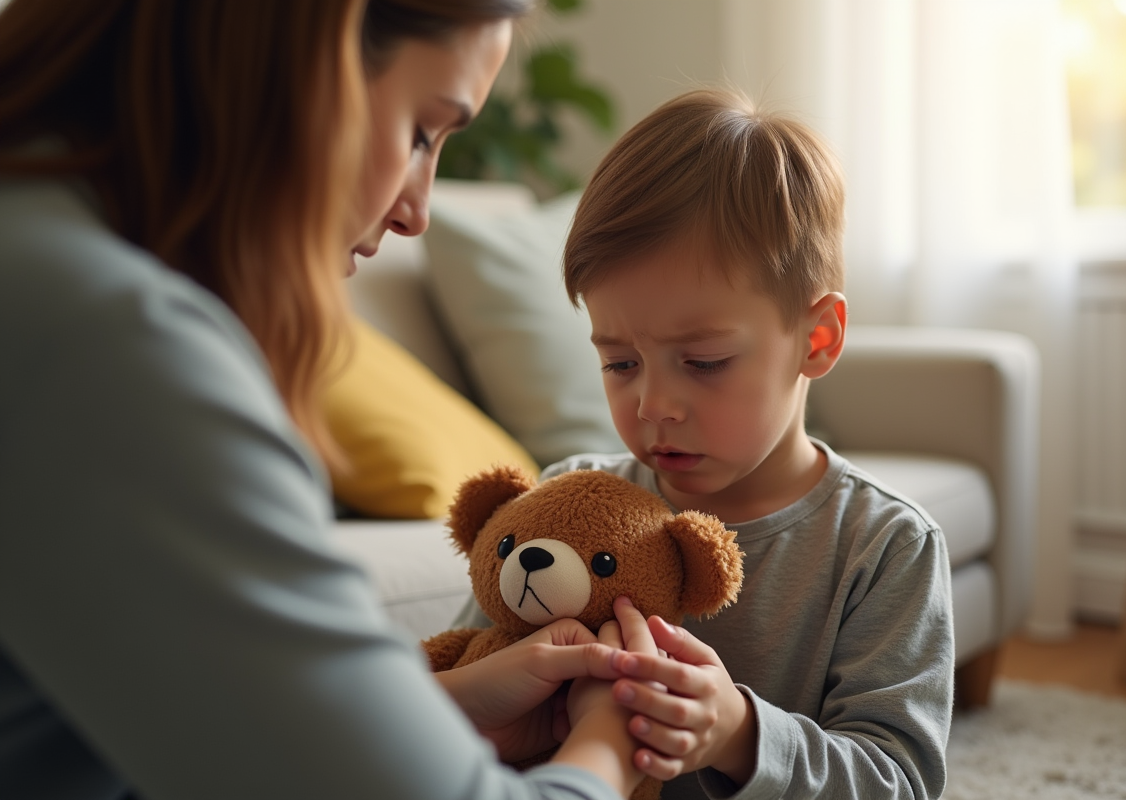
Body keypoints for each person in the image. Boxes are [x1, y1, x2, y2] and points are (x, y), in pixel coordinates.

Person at [0, 1, 657, 798]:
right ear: (299, 64)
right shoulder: (106, 346)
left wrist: (436, 710)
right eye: (421, 132)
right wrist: (608, 739)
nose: (417, 211)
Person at [456, 87, 956, 800]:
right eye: (619, 362)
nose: (652, 405)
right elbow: (442, 694)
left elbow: (899, 781)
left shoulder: (883, 546)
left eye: (704, 362)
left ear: (817, 339)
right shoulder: (566, 502)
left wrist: (739, 734)